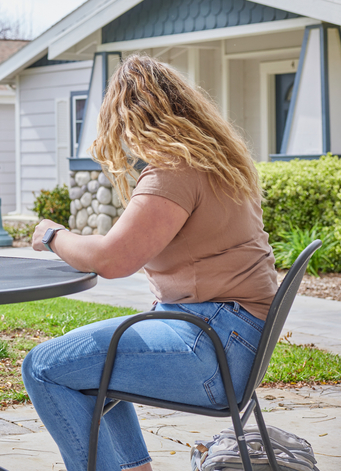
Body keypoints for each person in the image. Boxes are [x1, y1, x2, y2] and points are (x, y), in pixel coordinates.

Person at [22, 54, 278, 471]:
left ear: (133, 119)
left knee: (43, 367)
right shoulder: (218, 164)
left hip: (214, 349)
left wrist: (54, 235)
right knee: (86, 368)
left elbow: (112, 259)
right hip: (234, 339)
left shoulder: (176, 171)